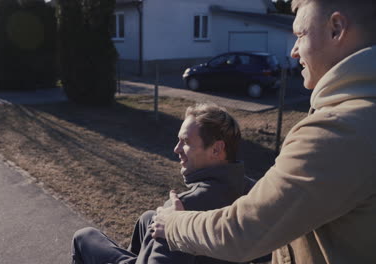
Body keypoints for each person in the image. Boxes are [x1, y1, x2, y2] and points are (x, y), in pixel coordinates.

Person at [151, 0, 376, 263]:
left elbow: (242, 232)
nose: (293, 51)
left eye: (300, 35)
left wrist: (173, 223)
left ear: (336, 29)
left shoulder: (339, 130)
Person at [71, 104, 267, 264]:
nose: (176, 149)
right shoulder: (256, 194)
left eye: (186, 142)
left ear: (216, 149)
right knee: (147, 218)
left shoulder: (182, 207)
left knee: (84, 237)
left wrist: (173, 228)